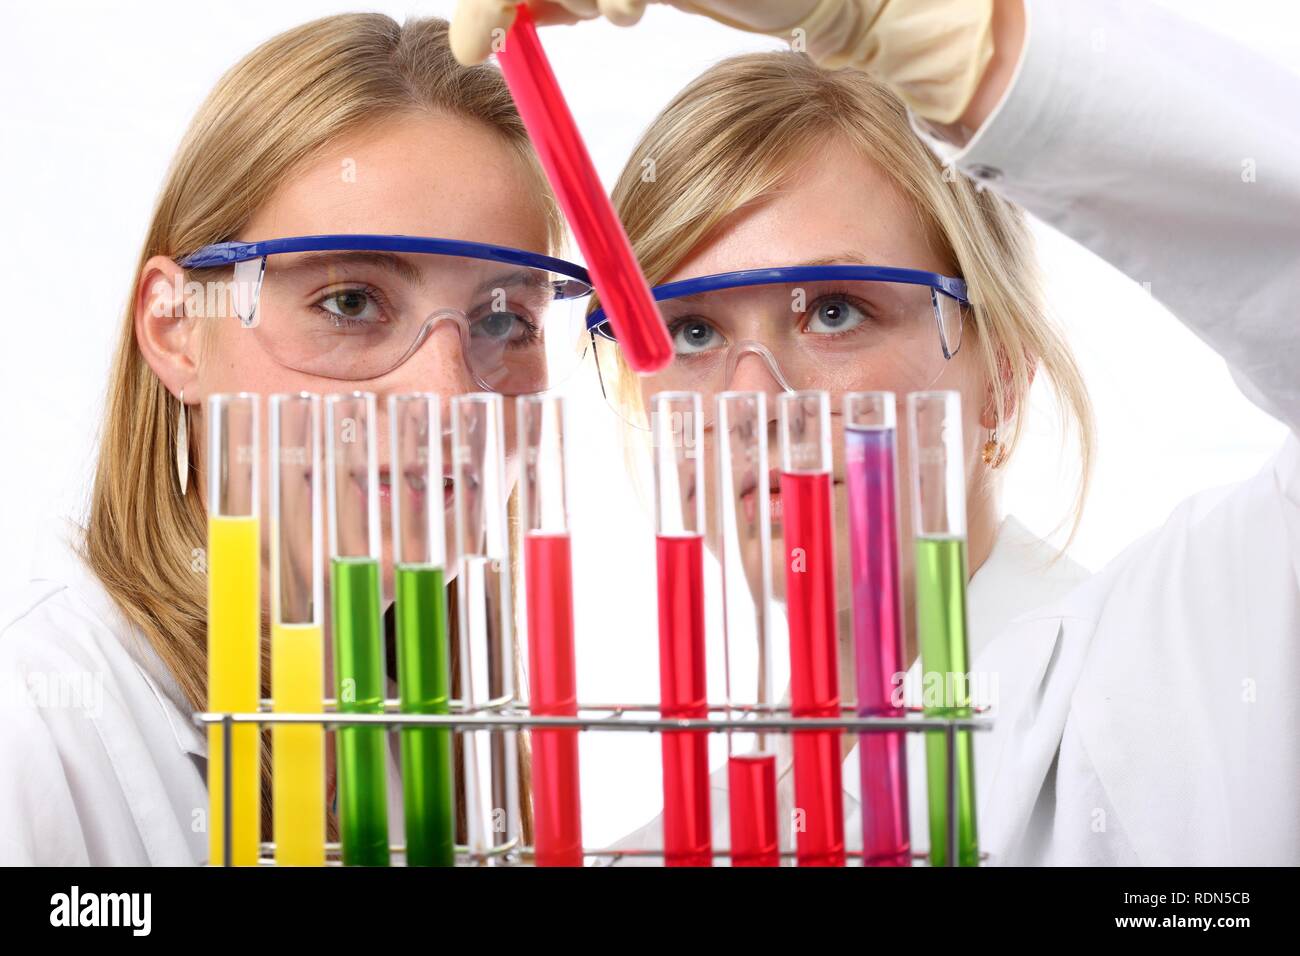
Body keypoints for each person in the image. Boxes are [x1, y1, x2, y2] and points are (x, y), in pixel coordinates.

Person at [453, 0, 1300, 865]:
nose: (754, 398)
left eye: (833, 310)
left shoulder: (1185, 663)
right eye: (695, 331)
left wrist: (971, 49)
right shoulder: (663, 849)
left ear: (1002, 377)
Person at [0, 14, 590, 865]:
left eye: (505, 318)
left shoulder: (441, 730)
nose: (449, 394)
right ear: (176, 329)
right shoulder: (32, 727)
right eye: (351, 301)